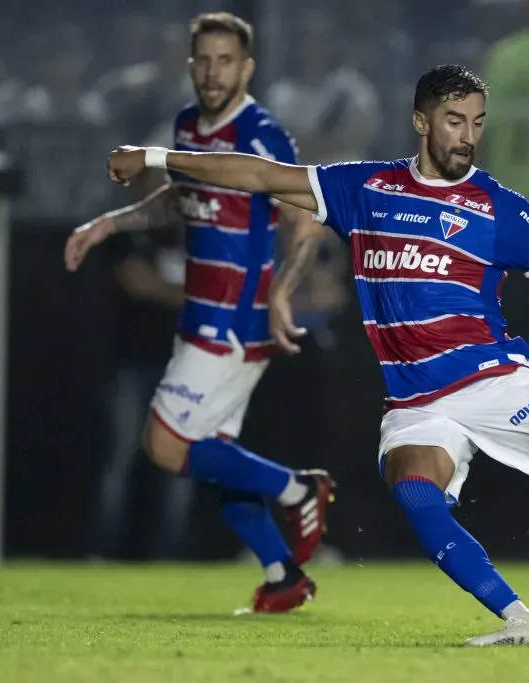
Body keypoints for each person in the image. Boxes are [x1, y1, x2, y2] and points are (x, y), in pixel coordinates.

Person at [103, 64, 529, 646]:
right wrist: (160, 158)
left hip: (494, 377)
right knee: (415, 490)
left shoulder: (499, 208)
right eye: (455, 120)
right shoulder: (364, 188)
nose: (468, 135)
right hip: (416, 400)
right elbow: (257, 174)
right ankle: (519, 620)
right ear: (422, 122)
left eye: (478, 121)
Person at [65, 12, 333, 613]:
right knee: (211, 459)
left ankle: (298, 489)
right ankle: (282, 576)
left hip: (236, 322)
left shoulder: (261, 134)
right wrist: (111, 222)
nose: (213, 73)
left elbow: (306, 219)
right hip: (198, 321)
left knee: (164, 445)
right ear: (191, 66)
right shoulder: (189, 125)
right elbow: (178, 203)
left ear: (248, 68)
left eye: (225, 61)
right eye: (204, 61)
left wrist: (287, 288)